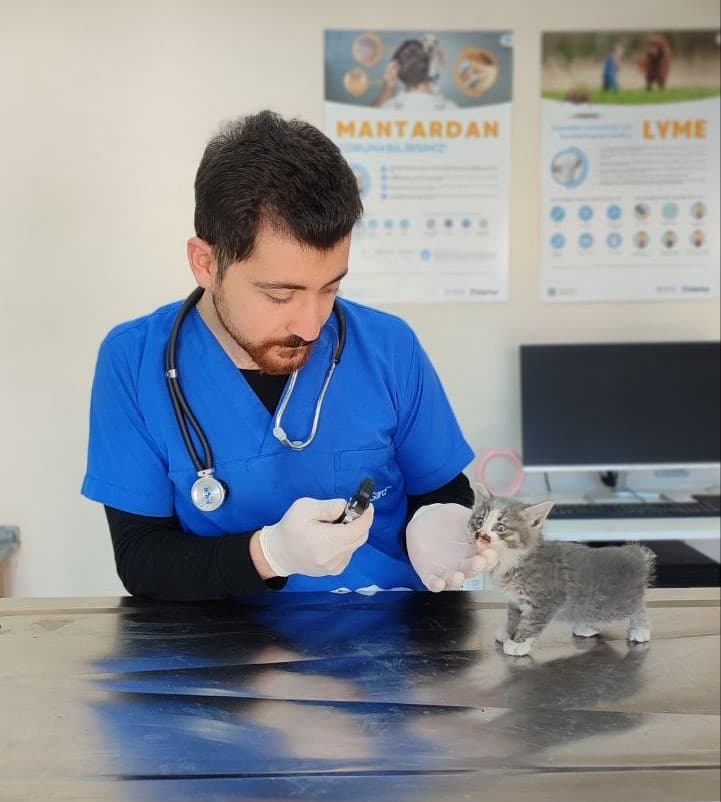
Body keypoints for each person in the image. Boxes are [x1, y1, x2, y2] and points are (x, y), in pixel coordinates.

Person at [82, 110, 483, 601]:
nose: (311, 325)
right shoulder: (133, 362)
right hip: (223, 644)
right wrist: (267, 554)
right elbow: (141, 559)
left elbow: (440, 487)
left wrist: (440, 521)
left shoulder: (389, 347)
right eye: (280, 294)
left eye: (330, 288)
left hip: (390, 636)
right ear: (206, 263)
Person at [373, 39, 458, 110]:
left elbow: (370, 117)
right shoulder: (451, 109)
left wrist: (387, 92)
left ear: (396, 72)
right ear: (432, 68)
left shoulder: (387, 109)